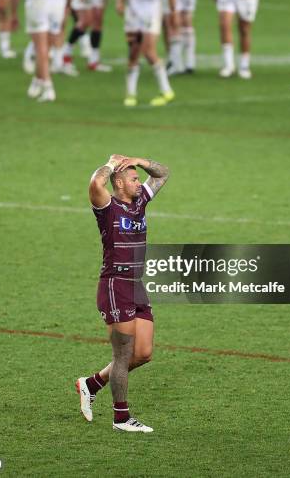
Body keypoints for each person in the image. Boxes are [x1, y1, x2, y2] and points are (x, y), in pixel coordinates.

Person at [76, 154, 170, 433]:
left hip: (136, 285)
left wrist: (138, 161)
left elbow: (163, 173)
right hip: (115, 286)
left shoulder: (140, 201)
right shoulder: (107, 207)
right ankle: (121, 418)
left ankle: (91, 384)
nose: (139, 183)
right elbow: (95, 182)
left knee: (143, 353)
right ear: (118, 182)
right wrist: (109, 163)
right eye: (133, 179)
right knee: (123, 354)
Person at [116, 0, 176, 107]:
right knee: (133, 51)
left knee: (149, 51)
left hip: (151, 9)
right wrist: (120, 1)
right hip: (133, 10)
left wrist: (173, 9)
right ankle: (131, 94)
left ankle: (166, 90)